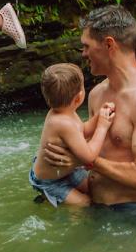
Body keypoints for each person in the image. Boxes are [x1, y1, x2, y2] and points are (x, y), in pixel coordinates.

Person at [44, 5, 136, 223]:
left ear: (108, 44)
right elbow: (91, 148)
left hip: (133, 215)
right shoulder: (96, 94)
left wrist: (86, 161)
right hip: (95, 207)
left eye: (86, 46)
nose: (83, 54)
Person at [29, 63, 115, 207]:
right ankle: (46, 197)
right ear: (78, 97)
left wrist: (100, 116)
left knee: (93, 189)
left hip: (64, 171)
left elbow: (83, 130)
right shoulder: (62, 123)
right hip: (49, 181)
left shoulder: (64, 112)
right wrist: (102, 127)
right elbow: (89, 157)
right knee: (84, 203)